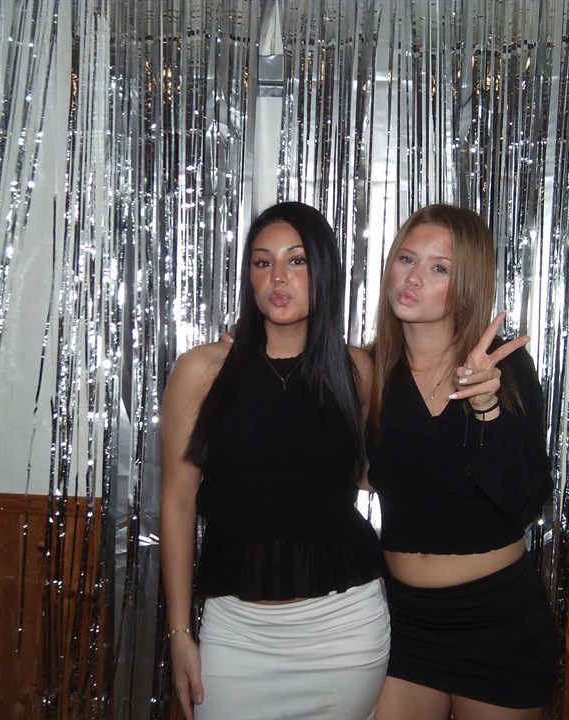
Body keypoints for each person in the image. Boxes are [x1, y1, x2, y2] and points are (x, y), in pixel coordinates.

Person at [159, 201, 390, 720]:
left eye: (297, 260)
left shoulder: (356, 369)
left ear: (324, 270)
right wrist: (178, 632)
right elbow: (177, 502)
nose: (278, 277)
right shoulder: (201, 372)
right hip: (236, 633)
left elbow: (370, 474)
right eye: (263, 262)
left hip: (346, 631)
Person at [366, 204, 560, 720]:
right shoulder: (369, 370)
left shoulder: (504, 367)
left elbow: (524, 500)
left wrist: (486, 407)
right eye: (406, 258)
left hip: (498, 622)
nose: (413, 277)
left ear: (466, 286)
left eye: (439, 268)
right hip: (404, 622)